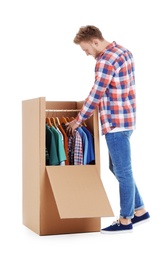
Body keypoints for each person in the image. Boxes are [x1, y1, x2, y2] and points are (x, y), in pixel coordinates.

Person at [66, 25, 150, 234]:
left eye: (86, 50)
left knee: (123, 171)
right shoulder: (123, 51)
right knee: (119, 170)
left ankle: (125, 220)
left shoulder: (105, 60)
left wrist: (78, 120)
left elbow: (97, 92)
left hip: (114, 123)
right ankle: (140, 211)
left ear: (95, 41)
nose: (87, 54)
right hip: (127, 119)